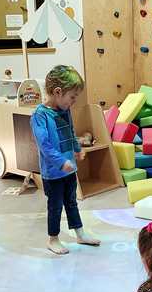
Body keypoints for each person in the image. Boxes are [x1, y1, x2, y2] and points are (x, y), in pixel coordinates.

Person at [30, 65, 100, 255]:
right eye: (72, 97)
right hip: (53, 173)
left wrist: (77, 149)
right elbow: (44, 145)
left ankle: (80, 233)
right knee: (55, 206)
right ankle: (53, 239)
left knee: (71, 202)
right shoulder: (39, 115)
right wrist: (61, 162)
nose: (74, 102)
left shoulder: (65, 110)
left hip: (69, 169)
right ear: (57, 92)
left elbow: (70, 131)